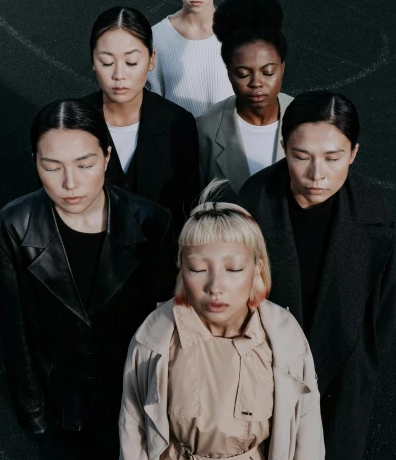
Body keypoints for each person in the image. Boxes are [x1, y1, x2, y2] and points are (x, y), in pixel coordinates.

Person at [0, 99, 177, 459]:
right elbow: (15, 330)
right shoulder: (9, 228)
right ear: (35, 163)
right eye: (51, 167)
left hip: (136, 396)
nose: (69, 183)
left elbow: (167, 323)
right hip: (64, 404)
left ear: (107, 157)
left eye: (85, 164)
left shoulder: (152, 221)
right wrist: (34, 416)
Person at [238, 91, 396, 460]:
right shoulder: (253, 201)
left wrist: (365, 369)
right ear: (284, 147)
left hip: (343, 379)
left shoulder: (373, 210)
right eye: (300, 156)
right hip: (263, 373)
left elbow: (382, 307)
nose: (317, 175)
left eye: (333, 157)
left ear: (354, 153)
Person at [119, 181, 324, 460]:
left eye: (234, 268)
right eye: (198, 268)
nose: (216, 286)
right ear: (182, 269)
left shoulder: (285, 338)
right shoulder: (153, 339)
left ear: (257, 269)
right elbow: (132, 435)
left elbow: (308, 436)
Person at [82, 6, 200, 233]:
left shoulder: (178, 123)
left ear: (152, 59)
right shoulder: (72, 123)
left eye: (132, 62)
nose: (119, 75)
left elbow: (190, 209)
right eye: (107, 62)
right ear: (93, 62)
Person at [197, 0, 293, 199]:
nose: (256, 83)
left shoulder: (308, 120)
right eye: (243, 74)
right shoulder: (205, 129)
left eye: (268, 72)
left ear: (282, 68)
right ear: (229, 73)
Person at [146, 0, 234, 117]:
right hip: (176, 141)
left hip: (231, 142)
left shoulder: (239, 32)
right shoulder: (157, 37)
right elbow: (153, 105)